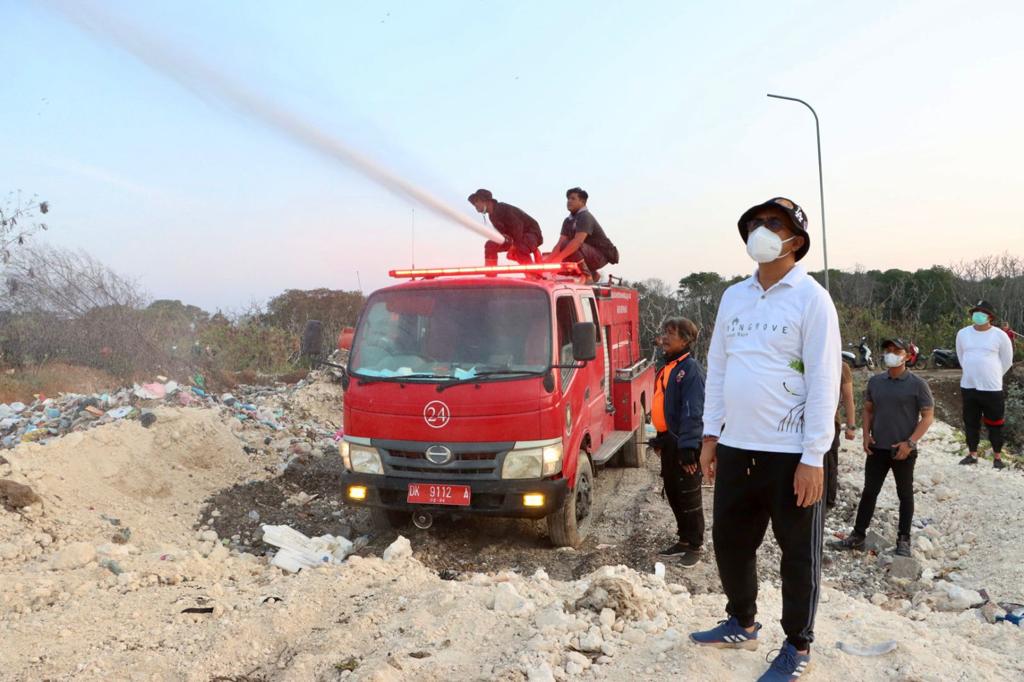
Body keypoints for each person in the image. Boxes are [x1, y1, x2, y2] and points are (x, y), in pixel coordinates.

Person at [689, 197, 841, 682]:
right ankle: (742, 621)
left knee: (798, 554)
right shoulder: (734, 296)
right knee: (731, 541)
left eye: (772, 223)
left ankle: (797, 645)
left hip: (791, 452)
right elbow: (719, 369)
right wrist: (711, 435)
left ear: (795, 239)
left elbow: (824, 378)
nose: (761, 230)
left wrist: (814, 456)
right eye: (754, 223)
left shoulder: (811, 298)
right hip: (737, 447)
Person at [829, 339, 934, 557]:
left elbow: (927, 417)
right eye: (887, 350)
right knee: (869, 492)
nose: (891, 354)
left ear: (907, 356)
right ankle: (858, 536)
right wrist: (865, 435)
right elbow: (868, 409)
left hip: (903, 450)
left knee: (905, 494)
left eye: (897, 351)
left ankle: (903, 540)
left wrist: (910, 443)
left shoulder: (917, 385)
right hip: (878, 448)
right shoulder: (876, 382)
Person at [649, 318, 705, 567]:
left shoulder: (690, 369)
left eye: (670, 333)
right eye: (664, 332)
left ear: (685, 339)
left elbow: (693, 410)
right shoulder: (668, 367)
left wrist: (689, 448)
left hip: (685, 445)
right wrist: (660, 437)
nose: (664, 337)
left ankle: (695, 545)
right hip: (669, 441)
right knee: (673, 491)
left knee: (688, 495)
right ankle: (683, 540)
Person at [956, 300, 1014, 469]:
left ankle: (997, 457)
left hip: (992, 388)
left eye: (982, 312)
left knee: (995, 423)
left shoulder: (1000, 335)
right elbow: (961, 356)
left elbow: (1007, 360)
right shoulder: (963, 334)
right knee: (970, 422)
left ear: (990, 316)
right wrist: (972, 372)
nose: (978, 315)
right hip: (969, 385)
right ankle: (972, 454)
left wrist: (993, 375)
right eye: (975, 312)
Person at [545, 187, 619, 281]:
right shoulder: (568, 221)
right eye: (568, 199)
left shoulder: (585, 216)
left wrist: (558, 259)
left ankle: (587, 276)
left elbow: (577, 242)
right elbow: (559, 244)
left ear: (582, 202)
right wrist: (546, 262)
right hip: (586, 253)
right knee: (562, 253)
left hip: (600, 255)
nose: (569, 201)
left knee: (568, 247)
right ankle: (593, 274)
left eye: (573, 198)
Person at [467, 189, 544, 266]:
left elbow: (517, 226)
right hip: (515, 238)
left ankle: (536, 274)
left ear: (486, 201)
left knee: (518, 249)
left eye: (477, 201)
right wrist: (504, 239)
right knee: (490, 245)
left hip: (532, 234)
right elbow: (503, 234)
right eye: (474, 202)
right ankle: (491, 274)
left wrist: (514, 246)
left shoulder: (502, 208)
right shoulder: (492, 216)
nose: (475, 204)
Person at [825, 361, 856, 510]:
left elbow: (848, 397)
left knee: (830, 463)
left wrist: (851, 426)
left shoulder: (841, 366)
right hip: (803, 423)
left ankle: (828, 502)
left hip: (830, 423)